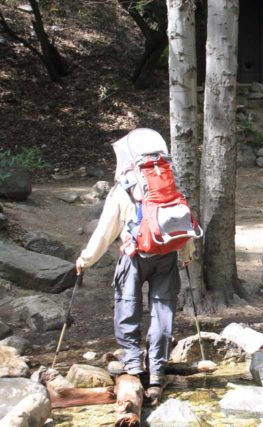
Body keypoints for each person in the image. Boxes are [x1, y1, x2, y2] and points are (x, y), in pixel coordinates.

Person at [76, 128, 195, 404]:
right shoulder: (170, 183)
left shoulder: (124, 189)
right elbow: (183, 221)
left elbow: (105, 232)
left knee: (128, 309)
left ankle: (134, 368)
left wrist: (85, 259)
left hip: (133, 257)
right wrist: (187, 251)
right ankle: (156, 376)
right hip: (167, 255)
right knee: (162, 313)